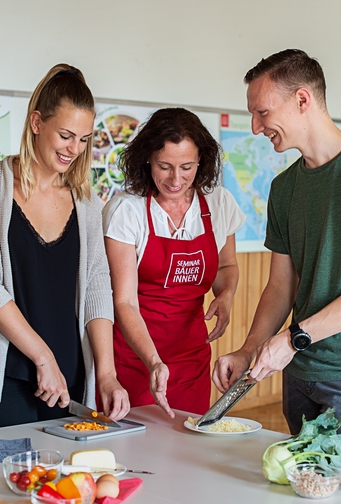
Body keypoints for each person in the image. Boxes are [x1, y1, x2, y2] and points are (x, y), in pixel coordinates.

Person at [212, 49, 341, 442]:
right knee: (301, 489)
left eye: (263, 113)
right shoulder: (283, 188)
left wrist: (291, 339)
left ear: (302, 100)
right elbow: (280, 286)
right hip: (301, 372)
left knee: (336, 495)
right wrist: (248, 350)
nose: (255, 127)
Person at [0, 64, 130, 429]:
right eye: (66, 135)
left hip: (68, 379)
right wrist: (42, 358)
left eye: (84, 139)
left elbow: (99, 285)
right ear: (37, 123)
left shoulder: (86, 202)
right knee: (15, 477)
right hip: (6, 375)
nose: (75, 149)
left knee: (60, 481)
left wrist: (107, 374)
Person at [103, 108, 244, 417]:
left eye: (187, 167)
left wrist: (226, 295)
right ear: (147, 160)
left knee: (187, 449)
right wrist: (153, 361)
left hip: (191, 359)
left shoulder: (218, 204)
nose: (176, 179)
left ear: (201, 162)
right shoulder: (127, 210)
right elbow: (124, 301)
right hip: (134, 359)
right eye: (164, 166)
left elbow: (226, 267)